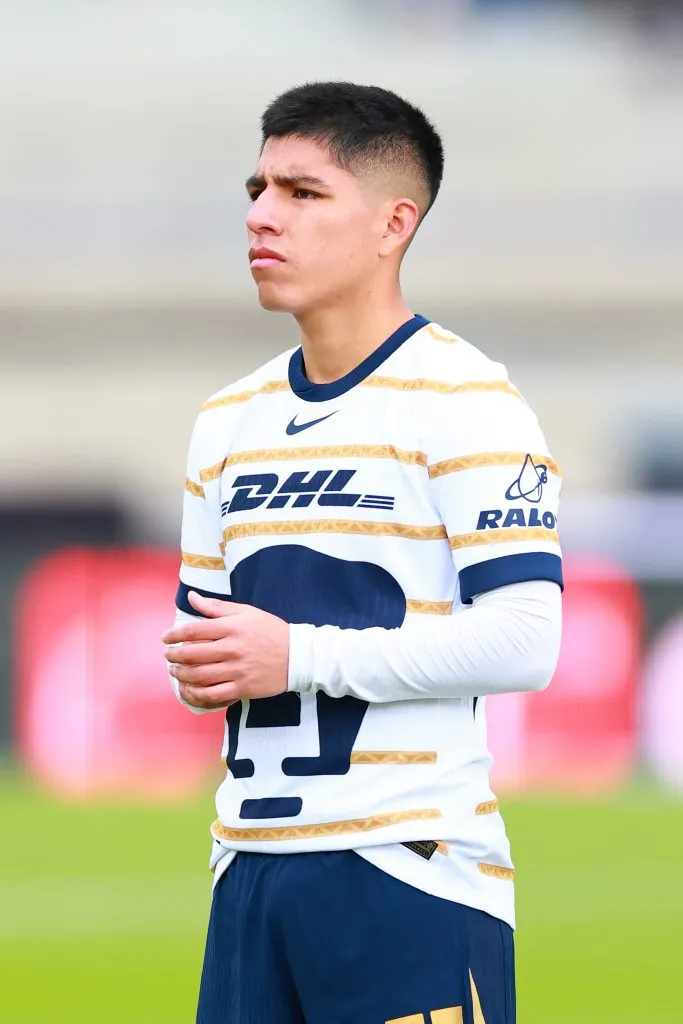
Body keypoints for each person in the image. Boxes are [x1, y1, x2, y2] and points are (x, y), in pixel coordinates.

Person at [162, 81, 563, 1024]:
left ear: (393, 223)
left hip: (407, 871)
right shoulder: (227, 418)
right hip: (248, 878)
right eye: (258, 189)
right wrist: (207, 665)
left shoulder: (467, 400)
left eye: (302, 193)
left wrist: (296, 655)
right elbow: (205, 653)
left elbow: (526, 640)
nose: (262, 216)